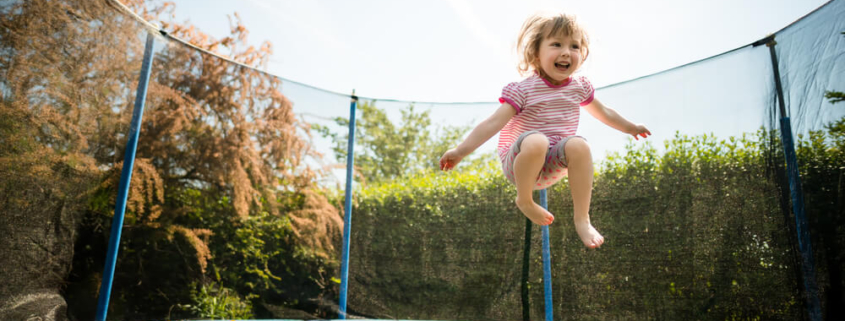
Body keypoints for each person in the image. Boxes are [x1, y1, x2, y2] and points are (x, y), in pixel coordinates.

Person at [439, 12, 651, 249]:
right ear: (536, 53)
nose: (566, 52)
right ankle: (525, 199)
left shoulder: (579, 87)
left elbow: (605, 112)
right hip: (518, 163)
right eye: (556, 44)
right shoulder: (523, 90)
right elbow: (492, 123)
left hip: (552, 165)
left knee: (579, 144)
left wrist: (630, 127)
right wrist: (460, 151)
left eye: (574, 46)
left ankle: (582, 219)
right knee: (537, 140)